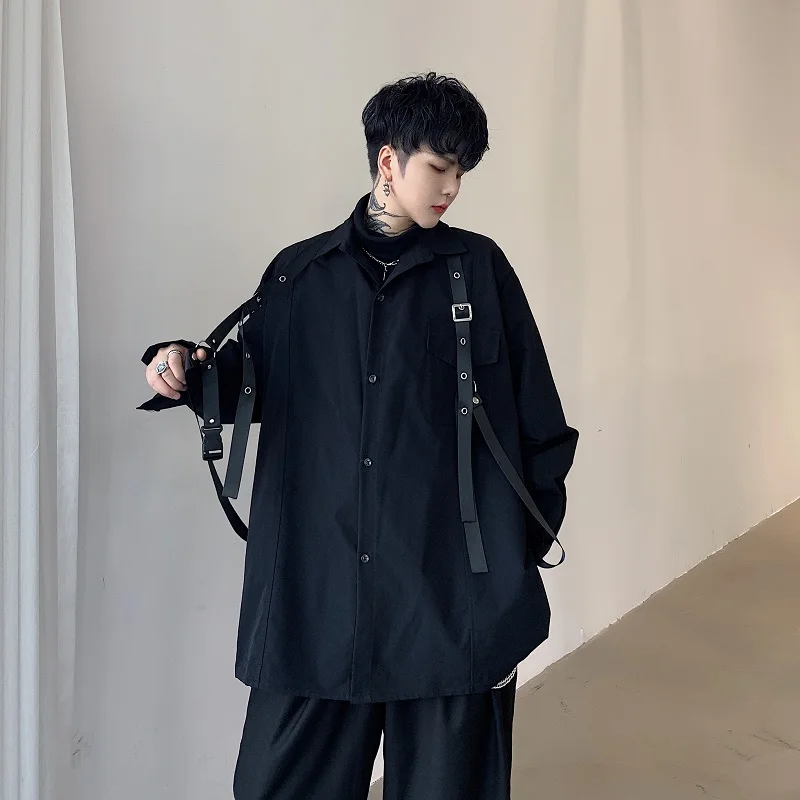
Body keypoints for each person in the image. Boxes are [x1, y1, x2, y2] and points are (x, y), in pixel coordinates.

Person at [139, 72, 579, 800]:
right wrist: (183, 368)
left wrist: (514, 551)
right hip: (320, 594)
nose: (452, 188)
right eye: (440, 167)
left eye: (462, 172)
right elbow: (251, 382)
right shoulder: (300, 274)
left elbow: (540, 420)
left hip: (451, 598)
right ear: (387, 161)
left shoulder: (479, 271)